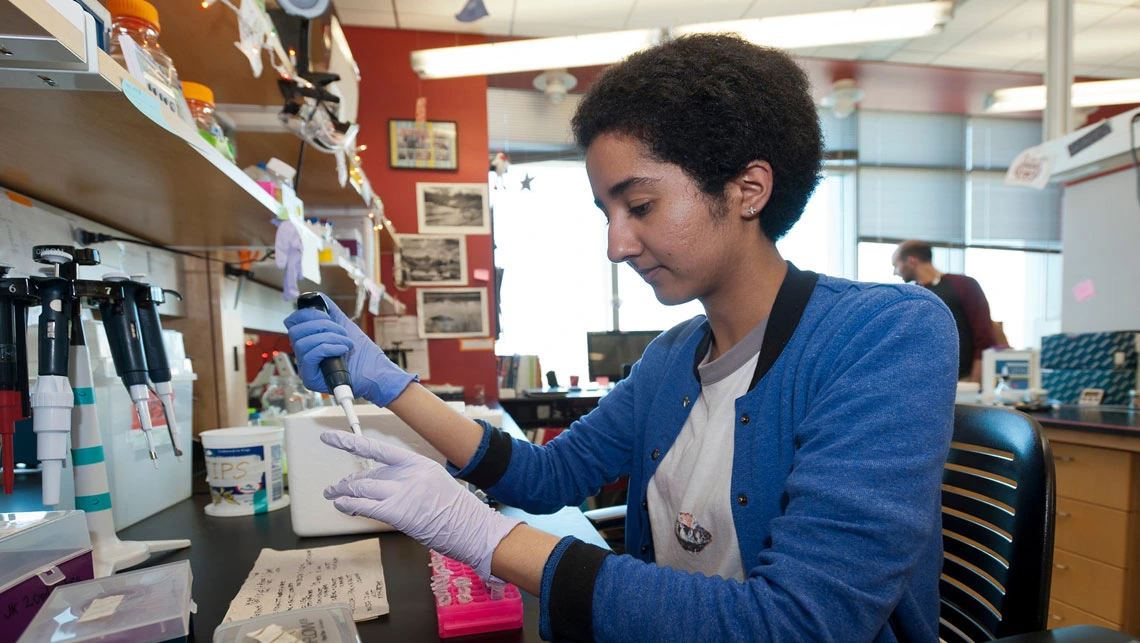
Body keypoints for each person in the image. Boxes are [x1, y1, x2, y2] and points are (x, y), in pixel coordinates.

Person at [286, 34, 957, 642]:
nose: (617, 243)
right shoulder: (672, 358)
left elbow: (801, 624)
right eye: (607, 212)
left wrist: (483, 533)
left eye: (639, 206)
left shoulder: (885, 334)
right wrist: (390, 383)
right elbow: (544, 476)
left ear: (748, 189)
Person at [892, 240, 997, 382]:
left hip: (963, 380)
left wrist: (974, 383)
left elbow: (984, 339)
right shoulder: (912, 295)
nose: (895, 272)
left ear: (911, 260)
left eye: (896, 265)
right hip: (925, 383)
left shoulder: (963, 285)